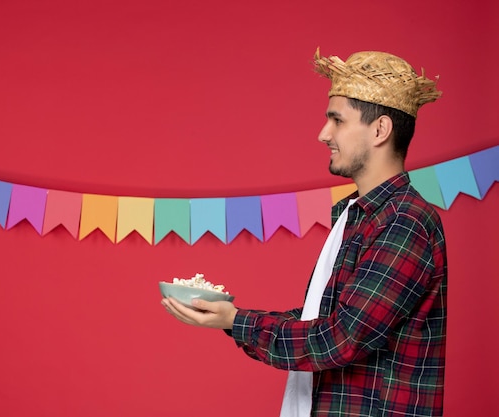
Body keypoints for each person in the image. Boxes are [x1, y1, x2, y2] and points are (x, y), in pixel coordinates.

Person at [161, 48, 447, 417]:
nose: (323, 133)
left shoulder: (405, 221)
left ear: (380, 130)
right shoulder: (355, 215)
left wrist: (235, 321)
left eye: (337, 120)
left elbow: (340, 339)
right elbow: (321, 320)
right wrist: (229, 317)